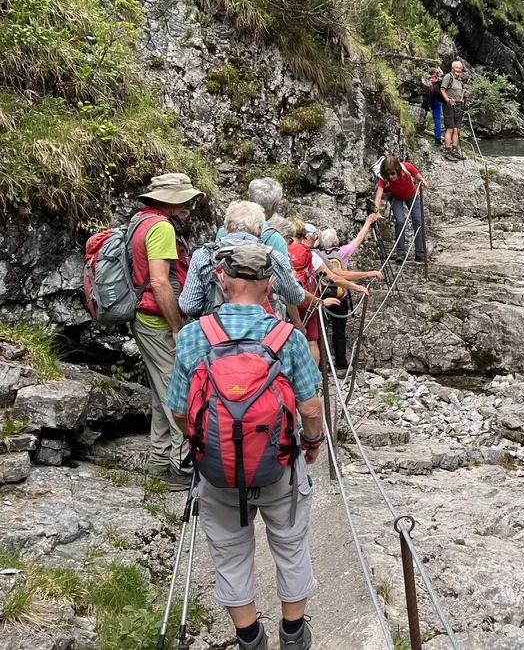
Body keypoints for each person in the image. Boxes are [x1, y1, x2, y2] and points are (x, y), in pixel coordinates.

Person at [165, 245, 325, 650]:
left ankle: (250, 637)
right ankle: (293, 634)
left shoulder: (193, 335)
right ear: (270, 284)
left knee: (231, 553)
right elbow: (309, 405)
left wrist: (203, 442)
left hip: (217, 472)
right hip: (279, 465)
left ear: (221, 279)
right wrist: (312, 443)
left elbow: (179, 410)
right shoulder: (286, 338)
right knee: (290, 546)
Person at [130, 173, 203, 491]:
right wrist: (177, 327)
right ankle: (181, 469)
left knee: (162, 395)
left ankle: (159, 463)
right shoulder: (161, 227)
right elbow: (160, 281)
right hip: (158, 322)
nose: (189, 204)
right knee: (180, 397)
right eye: (184, 199)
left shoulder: (140, 220)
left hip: (143, 318)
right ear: (168, 200)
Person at [180, 201, 305, 320]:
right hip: (265, 334)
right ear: (260, 228)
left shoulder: (203, 255)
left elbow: (189, 306)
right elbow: (296, 298)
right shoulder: (274, 257)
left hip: (215, 334)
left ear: (226, 226)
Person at [287, 219, 369, 363]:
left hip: (286, 303)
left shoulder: (281, 251)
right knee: (312, 341)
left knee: (286, 340)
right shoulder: (312, 255)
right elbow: (333, 277)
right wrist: (357, 286)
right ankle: (314, 380)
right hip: (310, 303)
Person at [316, 214, 383, 374]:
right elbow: (359, 237)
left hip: (321, 298)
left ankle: (320, 366)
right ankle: (341, 365)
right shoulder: (343, 251)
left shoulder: (317, 255)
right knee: (339, 331)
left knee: (320, 332)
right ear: (335, 242)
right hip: (341, 298)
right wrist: (368, 222)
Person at [373, 156, 430, 262]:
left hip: (411, 195)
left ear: (398, 170)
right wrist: (377, 212)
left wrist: (423, 181)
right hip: (397, 198)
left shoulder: (407, 167)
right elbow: (378, 197)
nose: (390, 177)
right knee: (400, 221)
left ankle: (420, 253)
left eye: (392, 173)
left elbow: (418, 176)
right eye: (388, 174)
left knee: (418, 221)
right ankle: (400, 253)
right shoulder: (383, 178)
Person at [218, 178, 290, 258]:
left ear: (250, 198)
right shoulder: (275, 239)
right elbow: (284, 269)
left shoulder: (225, 229)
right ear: (275, 205)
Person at [439, 60, 469, 161]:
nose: (458, 70)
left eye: (460, 68)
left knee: (457, 129)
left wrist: (465, 95)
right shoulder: (448, 77)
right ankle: (448, 151)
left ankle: (455, 150)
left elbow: (459, 93)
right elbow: (442, 90)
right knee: (450, 128)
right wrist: (447, 100)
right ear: (453, 68)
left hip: (458, 105)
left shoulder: (459, 80)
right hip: (449, 105)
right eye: (457, 68)